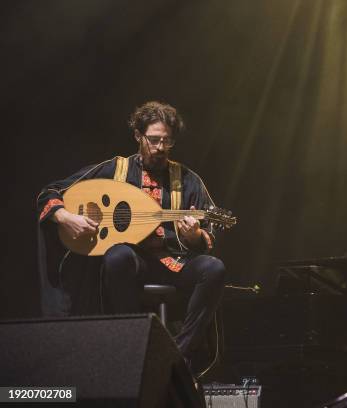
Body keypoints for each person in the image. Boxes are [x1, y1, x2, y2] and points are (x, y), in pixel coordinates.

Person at [36, 101, 226, 375]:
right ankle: (134, 345)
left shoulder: (187, 180)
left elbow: (211, 235)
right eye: (153, 140)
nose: (160, 148)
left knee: (214, 268)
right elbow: (50, 192)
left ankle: (177, 356)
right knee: (118, 255)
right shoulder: (116, 171)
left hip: (173, 264)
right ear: (138, 136)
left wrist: (195, 236)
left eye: (167, 141)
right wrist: (67, 218)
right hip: (131, 266)